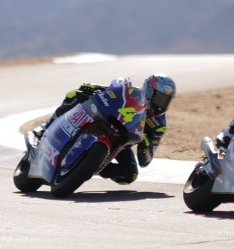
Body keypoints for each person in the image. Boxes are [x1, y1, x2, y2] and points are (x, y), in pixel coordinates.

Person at [31, 73, 176, 185]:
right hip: (106, 120)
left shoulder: (159, 125)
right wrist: (92, 87)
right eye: (159, 98)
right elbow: (111, 90)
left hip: (122, 142)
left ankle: (89, 166)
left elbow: (146, 160)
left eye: (166, 101)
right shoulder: (133, 92)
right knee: (75, 94)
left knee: (129, 175)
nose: (160, 105)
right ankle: (45, 128)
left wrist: (145, 142)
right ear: (148, 91)